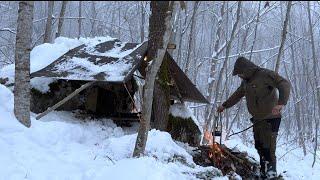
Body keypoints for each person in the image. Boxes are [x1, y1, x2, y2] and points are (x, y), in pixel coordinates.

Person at [217, 57, 291, 179]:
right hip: (257, 120)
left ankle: (271, 175)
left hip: (271, 119)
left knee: (268, 148)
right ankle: (263, 173)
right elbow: (238, 94)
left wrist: (281, 103)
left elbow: (284, 84)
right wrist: (224, 105)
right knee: (260, 146)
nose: (240, 76)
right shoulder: (246, 82)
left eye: (240, 73)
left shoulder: (265, 74)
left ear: (246, 70)